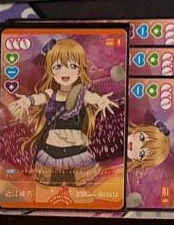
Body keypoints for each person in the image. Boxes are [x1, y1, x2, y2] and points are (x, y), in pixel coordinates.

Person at [7, 38, 118, 188]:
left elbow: (93, 98)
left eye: (72, 66)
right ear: (51, 69)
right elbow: (37, 98)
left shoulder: (81, 94)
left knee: (81, 190)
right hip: (50, 153)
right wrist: (25, 101)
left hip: (76, 154)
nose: (65, 72)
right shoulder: (50, 94)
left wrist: (102, 101)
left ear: (80, 69)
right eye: (58, 66)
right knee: (47, 189)